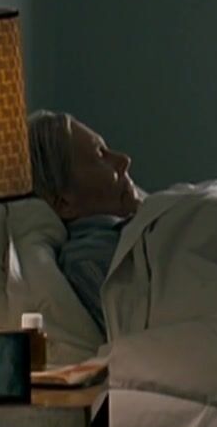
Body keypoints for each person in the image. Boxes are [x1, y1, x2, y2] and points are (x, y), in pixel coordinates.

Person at [28, 110, 144, 334]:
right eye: (100, 155)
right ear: (64, 203)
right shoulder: (88, 261)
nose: (124, 161)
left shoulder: (145, 222)